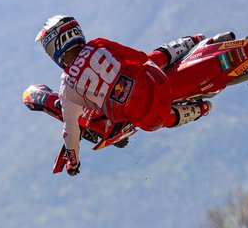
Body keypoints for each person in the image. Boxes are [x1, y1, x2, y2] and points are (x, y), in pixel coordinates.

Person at [35, 15, 211, 176]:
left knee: (155, 119)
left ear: (55, 46)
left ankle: (201, 109)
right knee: (151, 58)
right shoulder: (98, 44)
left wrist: (73, 163)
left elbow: (70, 131)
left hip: (150, 118)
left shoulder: (67, 87)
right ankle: (192, 40)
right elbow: (138, 56)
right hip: (158, 80)